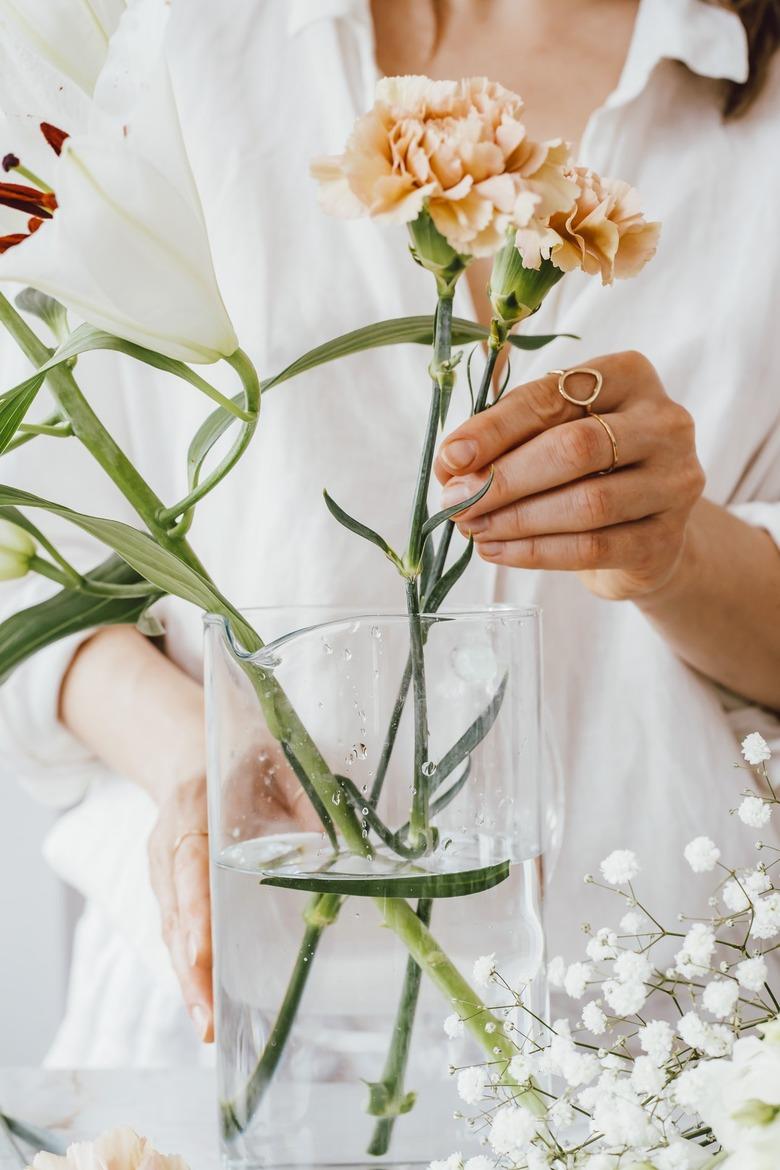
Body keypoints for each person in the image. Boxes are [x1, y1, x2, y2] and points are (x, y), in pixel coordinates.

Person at [1, 0, 779, 1066]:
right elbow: (27, 553)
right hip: (226, 1031)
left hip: (666, 1052)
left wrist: (671, 549)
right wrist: (199, 756)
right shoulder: (173, 32)